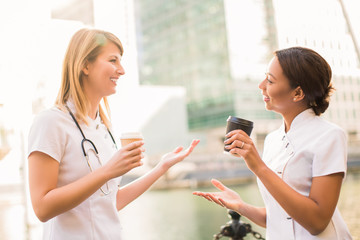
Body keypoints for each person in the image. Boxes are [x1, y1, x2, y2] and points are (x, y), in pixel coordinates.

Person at [28, 28, 200, 240]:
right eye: (113, 60)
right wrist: (107, 171)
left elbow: (110, 202)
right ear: (85, 65)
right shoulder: (50, 122)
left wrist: (161, 167)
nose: (122, 70)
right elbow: (42, 208)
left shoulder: (102, 128)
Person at [193, 47, 352, 239]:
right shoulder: (272, 139)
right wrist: (240, 205)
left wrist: (258, 166)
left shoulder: (329, 136)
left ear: (298, 92)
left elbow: (317, 223)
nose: (261, 85)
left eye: (270, 80)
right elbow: (280, 218)